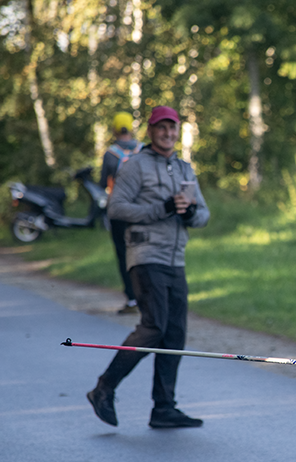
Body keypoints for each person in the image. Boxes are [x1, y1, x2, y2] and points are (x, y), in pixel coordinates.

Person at [87, 105, 210, 429]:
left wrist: (187, 213)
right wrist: (162, 208)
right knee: (154, 327)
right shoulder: (134, 166)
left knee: (175, 333)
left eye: (173, 128)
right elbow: (116, 208)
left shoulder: (184, 168)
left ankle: (164, 408)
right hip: (145, 255)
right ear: (151, 131)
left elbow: (203, 216)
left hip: (175, 259)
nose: (168, 133)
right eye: (161, 127)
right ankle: (104, 388)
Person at [100, 112, 144, 314]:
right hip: (142, 210)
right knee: (142, 252)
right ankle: (146, 296)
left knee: (123, 254)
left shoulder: (110, 154)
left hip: (118, 212)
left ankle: (132, 299)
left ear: (114, 130)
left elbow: (103, 184)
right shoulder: (143, 150)